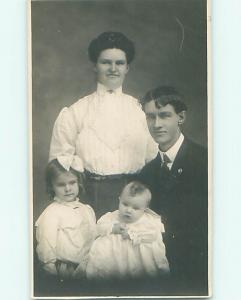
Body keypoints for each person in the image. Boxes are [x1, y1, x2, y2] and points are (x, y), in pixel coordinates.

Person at [49, 31, 157, 219]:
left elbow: (154, 159)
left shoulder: (141, 112)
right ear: (95, 66)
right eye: (106, 62)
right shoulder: (76, 112)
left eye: (120, 63)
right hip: (91, 199)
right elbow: (59, 167)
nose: (113, 68)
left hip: (134, 200)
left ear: (127, 68)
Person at [137, 86, 208, 294]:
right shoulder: (146, 174)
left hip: (199, 271)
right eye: (151, 117)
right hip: (160, 273)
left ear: (181, 117)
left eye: (164, 115)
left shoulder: (206, 161)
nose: (157, 124)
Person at [86, 181, 169, 281]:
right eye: (125, 204)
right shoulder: (111, 216)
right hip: (113, 255)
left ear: (144, 209)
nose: (128, 210)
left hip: (138, 256)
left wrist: (132, 235)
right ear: (119, 200)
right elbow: (99, 228)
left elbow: (152, 236)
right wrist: (113, 228)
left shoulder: (148, 221)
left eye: (135, 208)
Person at [35, 159, 96, 279]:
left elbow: (94, 238)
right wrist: (52, 273)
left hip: (89, 267)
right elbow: (46, 247)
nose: (68, 189)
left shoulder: (87, 209)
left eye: (72, 183)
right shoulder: (52, 213)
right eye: (61, 185)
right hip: (67, 270)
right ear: (52, 187)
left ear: (79, 183)